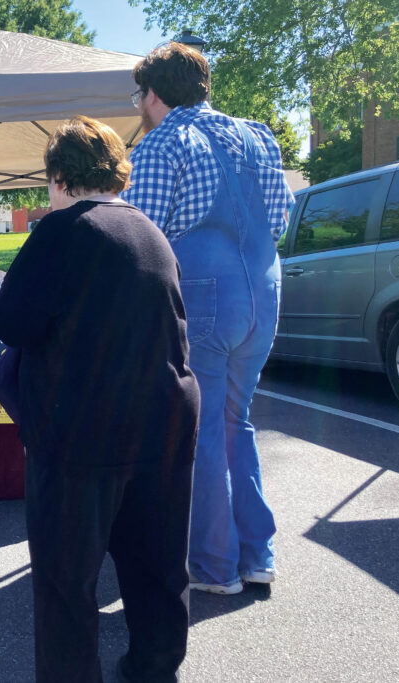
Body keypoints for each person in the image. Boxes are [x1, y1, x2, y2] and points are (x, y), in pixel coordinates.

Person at [0, 116, 199, 683]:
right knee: (156, 565)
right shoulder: (149, 231)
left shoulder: (61, 230)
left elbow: (10, 320)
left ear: (58, 178)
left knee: (66, 578)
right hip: (164, 419)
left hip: (82, 426)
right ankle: (156, 666)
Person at [122, 42, 295, 595]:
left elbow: (142, 238)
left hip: (204, 294)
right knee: (236, 422)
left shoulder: (161, 143)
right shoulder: (257, 134)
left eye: (138, 95)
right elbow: (280, 217)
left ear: (152, 94)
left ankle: (215, 566)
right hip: (263, 290)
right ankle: (256, 555)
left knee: (198, 430)